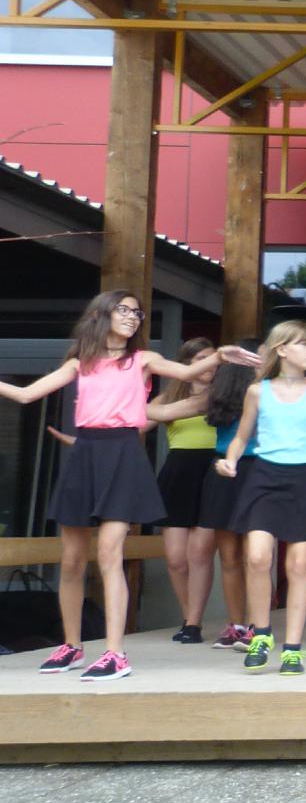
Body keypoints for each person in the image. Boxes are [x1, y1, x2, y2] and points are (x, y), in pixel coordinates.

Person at [0, 292, 251, 681]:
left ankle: (115, 653)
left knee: (109, 553)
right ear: (101, 314)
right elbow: (25, 394)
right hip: (86, 454)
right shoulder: (79, 362)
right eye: (125, 310)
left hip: (122, 453)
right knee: (71, 559)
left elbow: (185, 374)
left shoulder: (143, 360)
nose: (134, 317)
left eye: (138, 312)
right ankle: (71, 646)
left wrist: (220, 356)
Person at [216, 319, 306, 676]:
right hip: (264, 477)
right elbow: (241, 437)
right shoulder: (257, 391)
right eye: (304, 343)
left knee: (298, 566)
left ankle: (292, 648)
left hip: (305, 479)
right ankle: (261, 634)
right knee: (257, 557)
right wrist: (230, 460)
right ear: (282, 349)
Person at [145, 338, 218, 643]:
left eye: (213, 358)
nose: (209, 365)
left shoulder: (223, 394)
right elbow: (133, 425)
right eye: (201, 359)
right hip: (178, 473)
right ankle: (189, 617)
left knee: (199, 554)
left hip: (213, 471)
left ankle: (193, 624)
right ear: (187, 364)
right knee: (176, 558)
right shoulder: (169, 397)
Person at [195, 342, 263, 648]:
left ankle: (257, 626)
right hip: (224, 470)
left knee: (255, 555)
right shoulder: (217, 395)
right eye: (260, 355)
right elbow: (163, 411)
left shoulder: (271, 393)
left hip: (258, 470)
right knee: (230, 555)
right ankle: (236, 625)